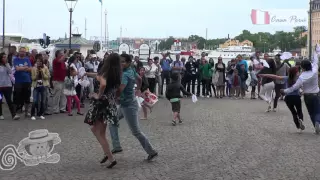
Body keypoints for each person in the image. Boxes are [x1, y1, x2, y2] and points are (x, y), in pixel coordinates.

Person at [109, 54, 158, 161]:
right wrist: (138, 89)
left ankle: (151, 151)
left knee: (136, 131)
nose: (120, 64)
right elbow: (139, 79)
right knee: (112, 121)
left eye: (123, 62)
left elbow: (121, 89)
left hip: (129, 106)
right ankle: (117, 146)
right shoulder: (131, 70)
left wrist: (115, 97)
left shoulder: (126, 74)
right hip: (125, 104)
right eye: (120, 61)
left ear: (128, 62)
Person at [84, 53, 120, 168]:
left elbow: (103, 83)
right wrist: (87, 73)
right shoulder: (116, 73)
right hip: (109, 104)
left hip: (101, 104)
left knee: (96, 131)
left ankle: (110, 157)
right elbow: (99, 76)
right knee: (101, 132)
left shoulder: (106, 72)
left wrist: (98, 95)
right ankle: (107, 153)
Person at [281, 46, 320, 134]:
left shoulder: (302, 77)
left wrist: (285, 91)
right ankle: (318, 122)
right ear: (310, 65)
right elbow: (316, 61)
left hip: (307, 96)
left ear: (303, 68)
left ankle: (315, 126)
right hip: (316, 94)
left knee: (311, 112)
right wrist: (315, 52)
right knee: (318, 110)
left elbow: (294, 87)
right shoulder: (314, 71)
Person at [260, 66, 305, 132]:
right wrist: (302, 92)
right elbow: (303, 88)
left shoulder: (287, 78)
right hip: (296, 97)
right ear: (296, 73)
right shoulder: (298, 79)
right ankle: (300, 120)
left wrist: (265, 75)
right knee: (299, 110)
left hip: (288, 98)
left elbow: (275, 76)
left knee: (293, 112)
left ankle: (298, 126)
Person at [13, 47, 32, 117]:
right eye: (21, 51)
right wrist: (25, 67)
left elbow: (30, 69)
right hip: (18, 81)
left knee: (27, 96)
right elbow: (17, 69)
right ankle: (17, 111)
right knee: (17, 96)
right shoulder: (15, 59)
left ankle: (27, 112)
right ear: (19, 52)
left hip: (27, 80)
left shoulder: (27, 59)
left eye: (24, 52)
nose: (22, 53)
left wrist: (22, 68)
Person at [0, 53, 20, 120]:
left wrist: (6, 64)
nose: (5, 58)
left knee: (9, 100)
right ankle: (0, 114)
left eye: (6, 57)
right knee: (0, 100)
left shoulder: (7, 65)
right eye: (3, 57)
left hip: (7, 86)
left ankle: (14, 115)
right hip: (0, 86)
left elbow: (10, 72)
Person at [30, 55, 50, 120]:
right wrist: (37, 75)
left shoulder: (45, 68)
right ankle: (32, 114)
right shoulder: (33, 68)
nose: (39, 63)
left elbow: (48, 76)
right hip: (36, 86)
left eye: (40, 61)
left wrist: (42, 73)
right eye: (37, 61)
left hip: (43, 86)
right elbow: (32, 78)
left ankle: (41, 114)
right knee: (35, 101)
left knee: (43, 101)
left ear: (42, 62)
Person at [51, 50, 68, 114]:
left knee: (63, 95)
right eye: (61, 54)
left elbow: (64, 69)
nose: (62, 55)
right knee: (57, 95)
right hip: (57, 80)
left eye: (63, 54)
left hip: (63, 79)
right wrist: (66, 53)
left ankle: (62, 108)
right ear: (57, 54)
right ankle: (55, 109)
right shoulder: (55, 60)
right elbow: (60, 60)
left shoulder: (63, 62)